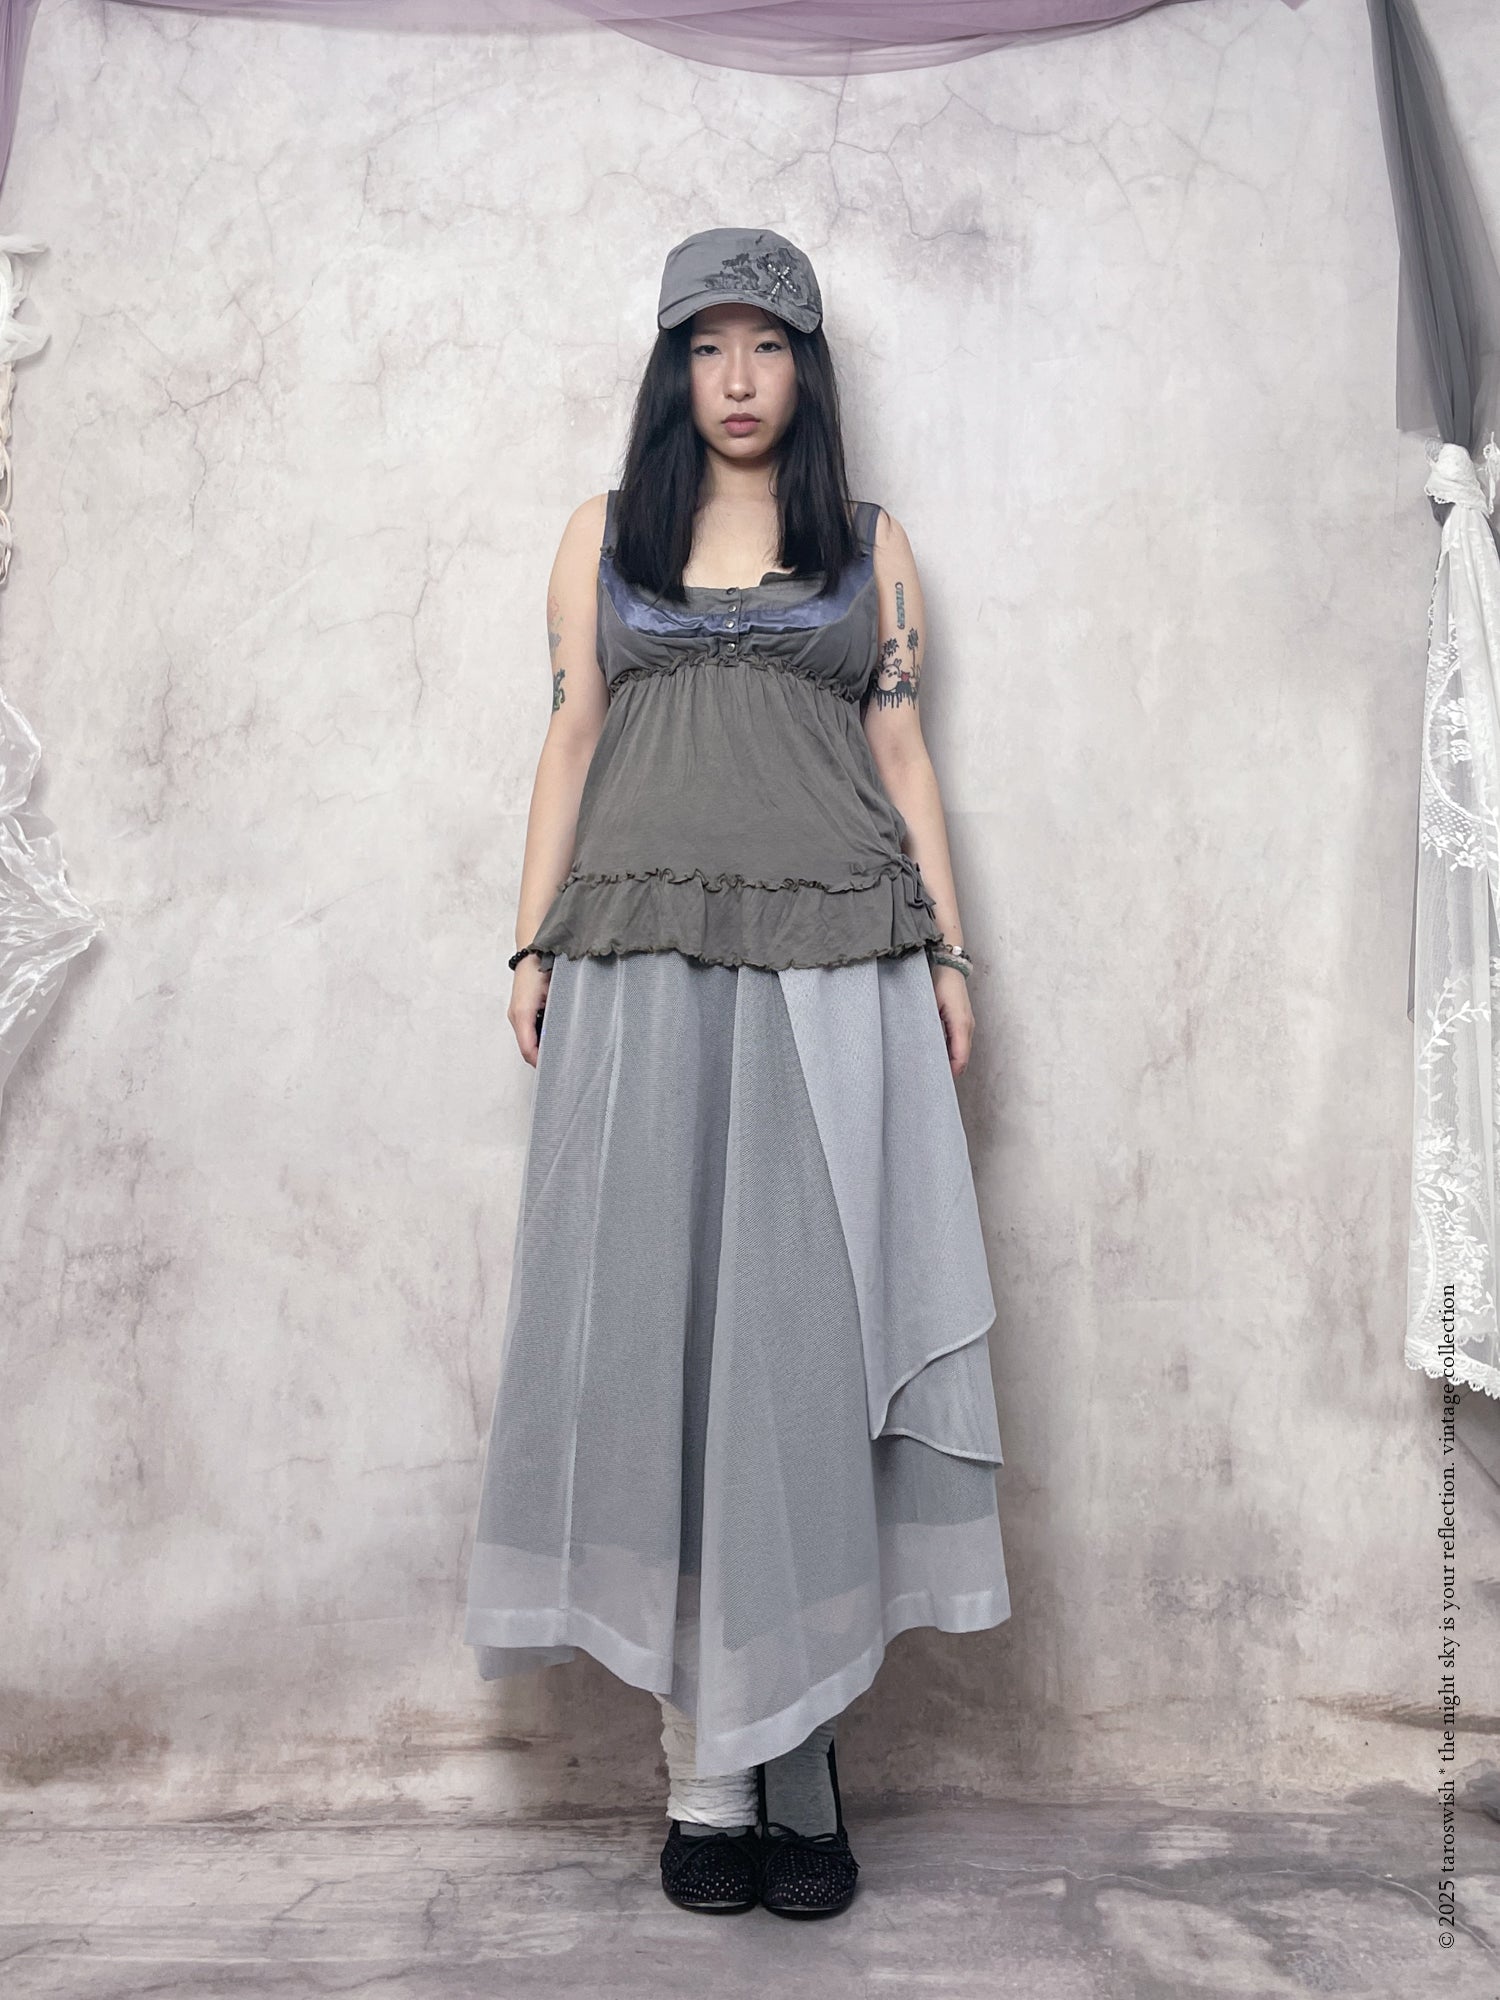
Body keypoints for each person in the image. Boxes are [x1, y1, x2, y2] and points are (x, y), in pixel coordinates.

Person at [462, 226, 1010, 1920]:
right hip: (639, 964)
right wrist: (531, 945)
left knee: (803, 1350)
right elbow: (570, 737)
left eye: (765, 346)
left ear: (806, 366)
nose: (739, 379)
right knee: (661, 1348)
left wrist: (950, 956)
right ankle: (705, 1773)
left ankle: (803, 1754)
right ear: (671, 371)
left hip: (840, 962)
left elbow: (902, 749)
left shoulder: (870, 547)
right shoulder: (602, 536)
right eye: (706, 348)